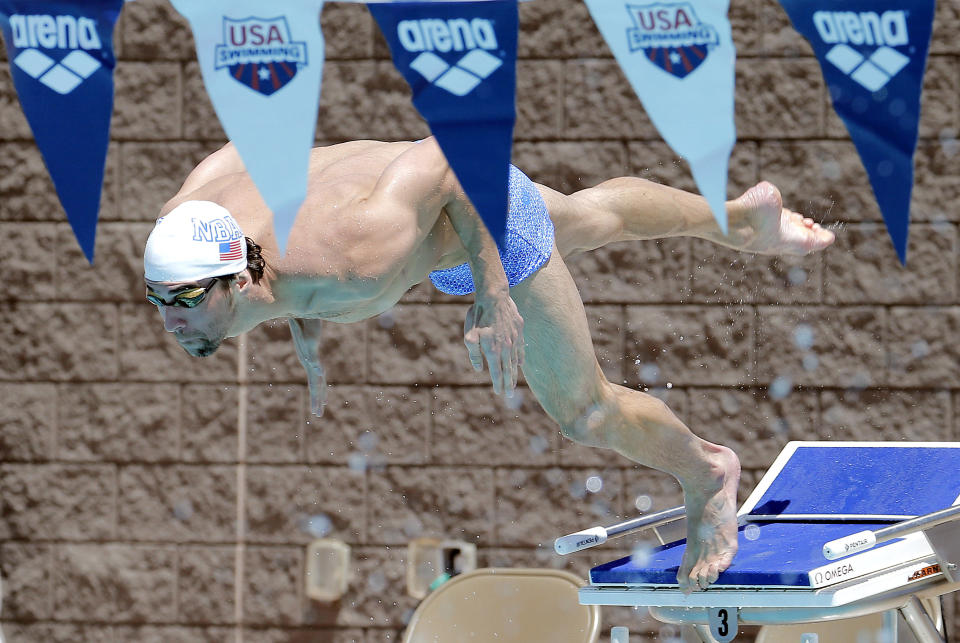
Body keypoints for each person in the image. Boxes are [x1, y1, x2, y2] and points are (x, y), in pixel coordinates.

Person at [143, 137, 834, 592]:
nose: (169, 318)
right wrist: (302, 319)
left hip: (483, 216)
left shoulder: (356, 251)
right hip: (430, 224)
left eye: (183, 300)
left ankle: (706, 470)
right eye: (157, 299)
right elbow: (255, 158)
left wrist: (495, 291)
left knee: (583, 410)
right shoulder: (192, 214)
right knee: (596, 217)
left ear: (236, 277)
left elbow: (453, 158)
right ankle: (743, 222)